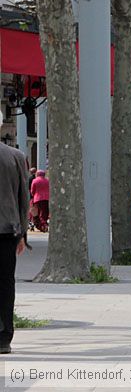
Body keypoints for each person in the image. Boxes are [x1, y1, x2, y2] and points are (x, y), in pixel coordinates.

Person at [0, 110, 30, 354]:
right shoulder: (16, 156)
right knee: (6, 283)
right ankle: (4, 336)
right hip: (7, 230)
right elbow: (24, 198)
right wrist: (22, 234)